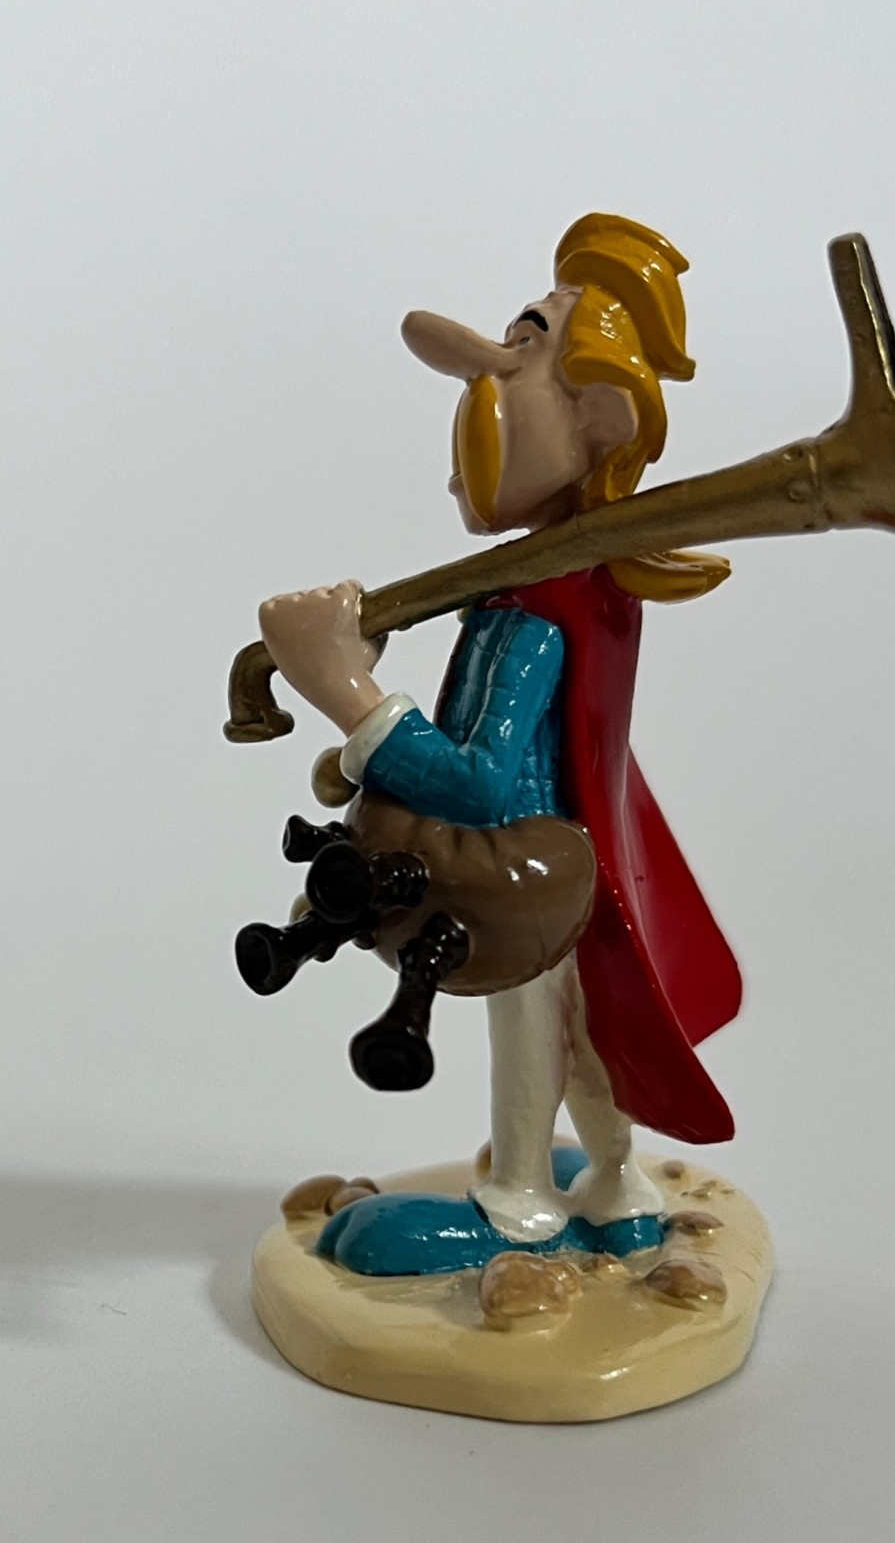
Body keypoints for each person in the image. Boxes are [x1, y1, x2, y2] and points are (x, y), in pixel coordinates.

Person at [257, 214, 741, 1246]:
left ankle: (521, 1204)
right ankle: (616, 1186)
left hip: (522, 870)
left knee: (537, 1022)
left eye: (525, 344)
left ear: (598, 417)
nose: (482, 371)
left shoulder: (535, 617)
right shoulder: (564, 586)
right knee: (580, 1025)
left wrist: (346, 691)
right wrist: (369, 752)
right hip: (559, 861)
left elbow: (480, 783)